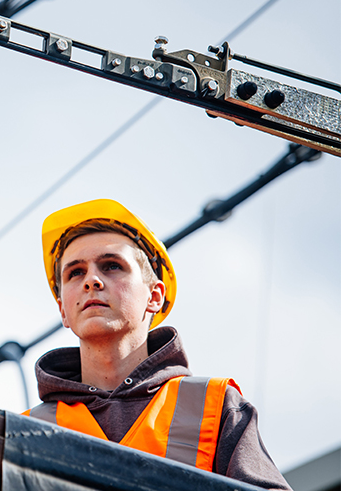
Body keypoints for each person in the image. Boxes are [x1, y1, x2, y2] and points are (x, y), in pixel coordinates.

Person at [23, 199, 291, 490]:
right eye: (75, 272)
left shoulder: (212, 406)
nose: (92, 281)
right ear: (62, 310)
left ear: (154, 296)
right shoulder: (24, 431)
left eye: (112, 266)